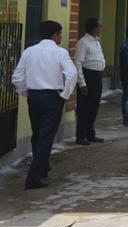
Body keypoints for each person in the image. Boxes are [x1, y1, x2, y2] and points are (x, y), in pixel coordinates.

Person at [11, 20, 77, 189]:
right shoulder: (60, 52)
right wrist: (64, 95)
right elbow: (72, 74)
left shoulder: (29, 51)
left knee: (38, 134)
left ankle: (42, 168)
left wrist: (26, 92)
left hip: (34, 96)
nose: (60, 37)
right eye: (60, 34)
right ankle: (34, 176)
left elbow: (17, 78)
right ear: (55, 34)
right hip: (52, 97)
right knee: (46, 136)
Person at [74, 17, 106, 145]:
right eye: (99, 26)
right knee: (84, 107)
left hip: (97, 76)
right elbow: (78, 62)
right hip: (88, 76)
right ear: (93, 28)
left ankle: (90, 133)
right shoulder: (83, 42)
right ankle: (81, 135)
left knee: (94, 106)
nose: (100, 28)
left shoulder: (96, 42)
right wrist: (82, 83)